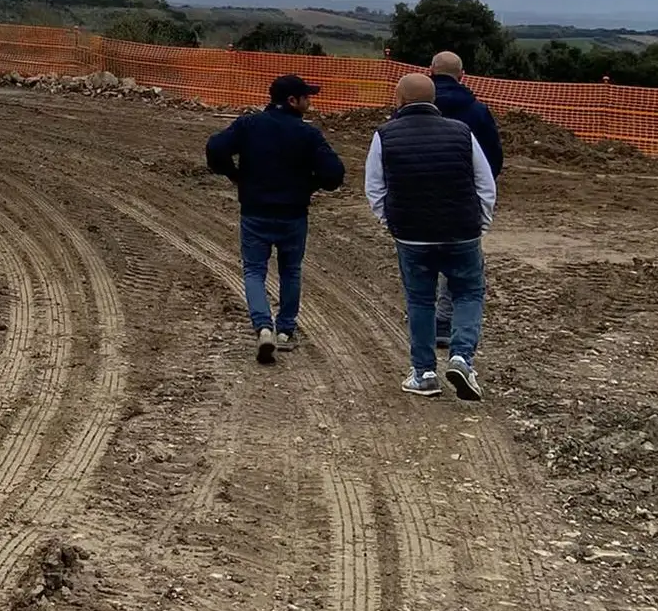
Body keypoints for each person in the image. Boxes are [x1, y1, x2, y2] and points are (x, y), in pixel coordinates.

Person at [364, 73, 497, 400]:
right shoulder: (462, 132)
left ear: (399, 99)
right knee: (468, 294)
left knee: (420, 300)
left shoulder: (384, 135)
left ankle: (423, 373)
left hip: (412, 237)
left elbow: (374, 188)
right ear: (433, 99)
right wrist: (480, 222)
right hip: (461, 233)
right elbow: (485, 184)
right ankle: (461, 358)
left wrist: (391, 223)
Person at [206, 74, 347, 365]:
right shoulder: (308, 134)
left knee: (254, 271)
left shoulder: (249, 125)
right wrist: (310, 186)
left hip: (255, 211)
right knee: (291, 270)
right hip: (293, 214)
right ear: (292, 101)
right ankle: (285, 331)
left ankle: (263, 327)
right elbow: (334, 173)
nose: (310, 102)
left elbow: (215, 148)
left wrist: (235, 176)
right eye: (306, 97)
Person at [427, 52, 505, 350]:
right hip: (463, 200)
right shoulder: (477, 112)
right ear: (463, 76)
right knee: (461, 265)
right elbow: (492, 159)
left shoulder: (414, 107)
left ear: (429, 72)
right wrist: (480, 196)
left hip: (417, 199)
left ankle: (424, 345)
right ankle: (446, 327)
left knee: (420, 264)